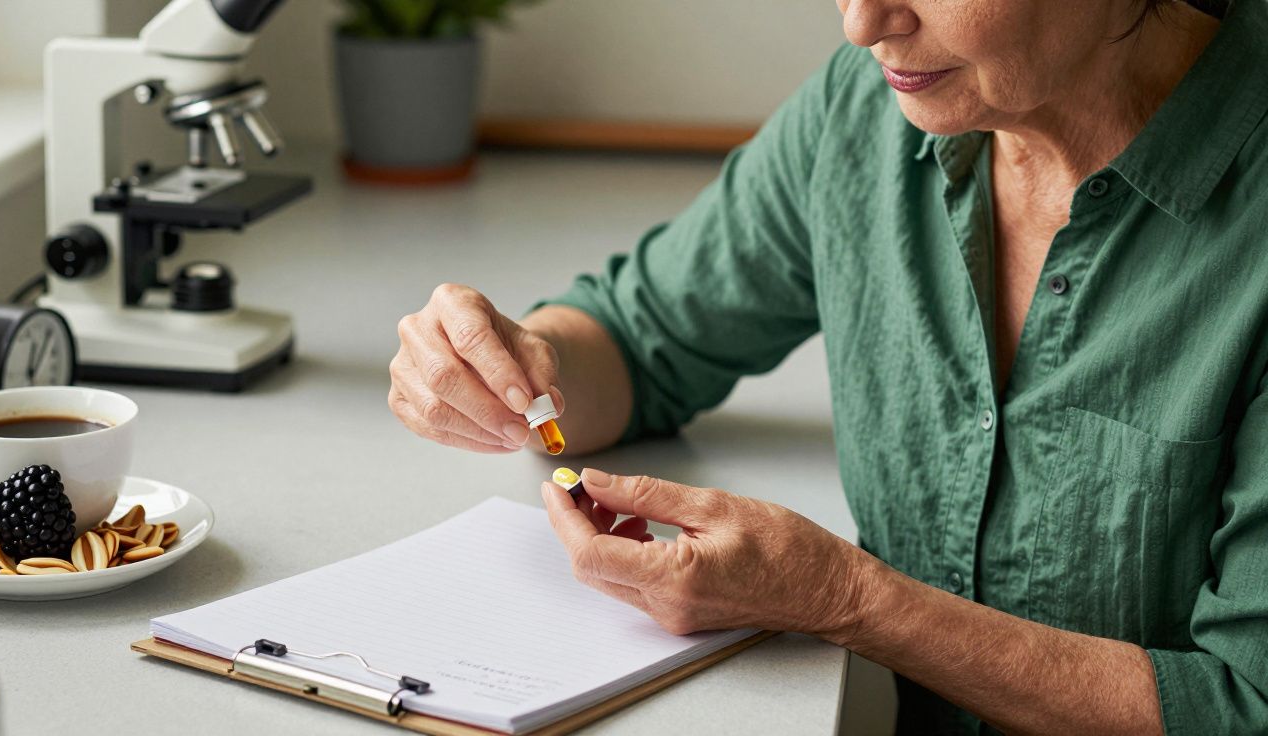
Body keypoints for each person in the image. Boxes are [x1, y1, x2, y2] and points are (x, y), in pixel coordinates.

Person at [389, 0, 1268, 731]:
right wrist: (515, 361)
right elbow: (636, 337)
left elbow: (1246, 708)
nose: (862, 23)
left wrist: (843, 598)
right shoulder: (869, 109)